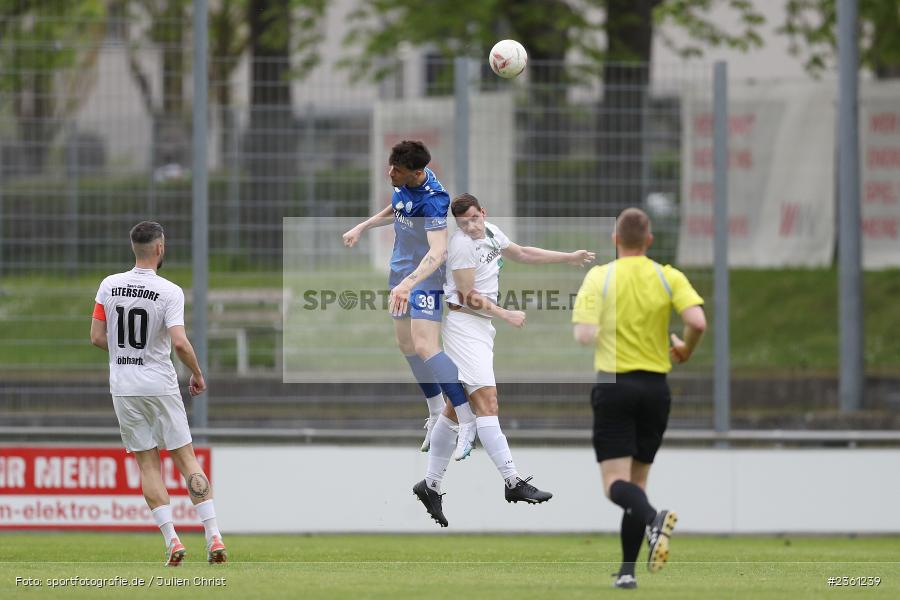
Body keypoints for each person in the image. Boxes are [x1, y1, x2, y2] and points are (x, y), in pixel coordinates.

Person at [413, 193, 595, 527]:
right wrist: (505, 313)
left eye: (474, 218)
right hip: (464, 325)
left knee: (455, 410)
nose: (470, 225)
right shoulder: (462, 245)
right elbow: (467, 296)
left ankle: (430, 484)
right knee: (488, 402)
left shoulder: (493, 232)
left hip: (481, 329)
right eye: (463, 222)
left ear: (484, 212)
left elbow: (523, 252)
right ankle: (513, 481)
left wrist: (568, 256)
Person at [571, 208, 706, 589]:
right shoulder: (667, 276)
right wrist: (685, 350)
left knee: (615, 484)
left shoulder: (601, 276)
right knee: (637, 483)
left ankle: (655, 520)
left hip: (615, 384)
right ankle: (627, 572)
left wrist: (606, 331)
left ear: (615, 240)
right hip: (656, 389)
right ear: (649, 240)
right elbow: (696, 322)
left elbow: (583, 335)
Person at [90, 221, 226, 566]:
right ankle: (213, 537)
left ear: (134, 248)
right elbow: (179, 341)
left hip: (123, 387)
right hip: (160, 384)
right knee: (186, 458)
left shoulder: (109, 286)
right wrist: (196, 373)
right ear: (160, 249)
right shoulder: (169, 291)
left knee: (147, 464)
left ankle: (172, 540)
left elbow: (96, 336)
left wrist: (124, 354)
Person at [342, 141, 475, 450]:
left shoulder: (434, 201)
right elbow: (398, 206)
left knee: (426, 346)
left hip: (424, 279)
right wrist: (364, 226)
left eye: (396, 170)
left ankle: (466, 419)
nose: (390, 172)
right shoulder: (404, 181)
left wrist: (409, 284)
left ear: (416, 173)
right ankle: (434, 413)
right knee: (406, 345)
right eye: (390, 166)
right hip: (400, 275)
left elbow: (439, 251)